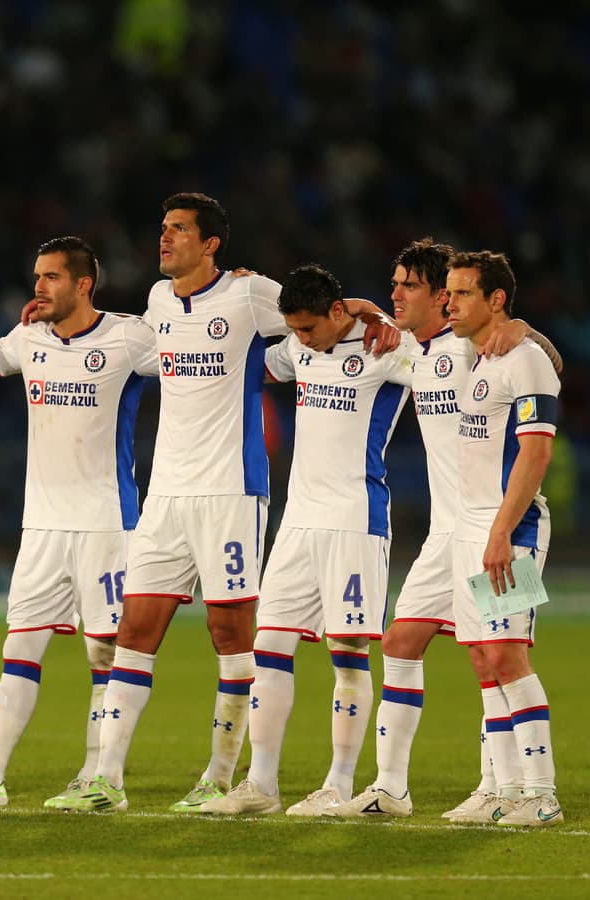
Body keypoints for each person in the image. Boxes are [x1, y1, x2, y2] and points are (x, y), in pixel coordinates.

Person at [56, 194, 397, 813]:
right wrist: (53, 315)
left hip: (232, 491)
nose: (164, 238)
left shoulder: (249, 294)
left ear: (211, 244)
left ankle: (221, 776)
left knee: (231, 630)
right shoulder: (159, 302)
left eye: (179, 230)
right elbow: (123, 340)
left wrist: (369, 312)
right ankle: (106, 778)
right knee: (134, 630)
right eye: (162, 228)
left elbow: (321, 313)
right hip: (165, 493)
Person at [324, 238, 563, 820]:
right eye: (397, 283)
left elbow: (546, 370)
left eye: (416, 286)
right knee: (403, 641)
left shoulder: (494, 350)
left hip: (508, 526)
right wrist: (357, 304)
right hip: (448, 533)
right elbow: (339, 322)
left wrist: (526, 328)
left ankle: (529, 791)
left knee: (500, 657)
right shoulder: (416, 352)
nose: (400, 294)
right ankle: (392, 789)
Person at [0, 236, 158, 807]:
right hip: (42, 527)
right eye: (36, 277)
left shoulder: (128, 337)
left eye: (50, 277)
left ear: (82, 284)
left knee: (107, 654)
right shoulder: (30, 339)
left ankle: (104, 781)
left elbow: (197, 351)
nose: (38, 287)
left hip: (107, 523)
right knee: (19, 649)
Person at [198, 264, 415, 816]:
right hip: (297, 523)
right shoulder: (296, 350)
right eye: (293, 330)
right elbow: (246, 360)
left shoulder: (383, 347)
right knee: (268, 647)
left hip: (354, 519)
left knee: (348, 654)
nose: (301, 340)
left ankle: (339, 785)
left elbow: (449, 363)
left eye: (310, 329)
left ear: (337, 313)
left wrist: (377, 312)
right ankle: (261, 785)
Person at [445, 250, 563, 827]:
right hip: (470, 529)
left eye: (463, 293)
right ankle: (502, 786)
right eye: (449, 293)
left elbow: (537, 451)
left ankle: (541, 795)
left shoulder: (525, 357)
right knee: (484, 661)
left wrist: (499, 532)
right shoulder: (472, 355)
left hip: (511, 530)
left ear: (496, 300)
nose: (449, 303)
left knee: (509, 656)